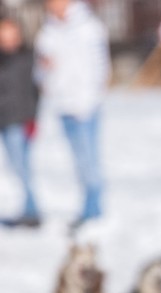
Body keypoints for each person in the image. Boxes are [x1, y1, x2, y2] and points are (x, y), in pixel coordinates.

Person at [34, 0, 109, 227]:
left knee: (90, 160)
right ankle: (88, 207)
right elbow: (40, 72)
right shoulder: (47, 31)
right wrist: (44, 74)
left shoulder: (89, 27)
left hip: (85, 105)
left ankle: (94, 210)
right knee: (78, 161)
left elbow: (99, 67)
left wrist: (87, 101)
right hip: (62, 105)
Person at [0, 11, 40, 227]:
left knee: (22, 167)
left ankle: (31, 210)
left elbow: (33, 92)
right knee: (12, 168)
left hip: (19, 120)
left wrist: (32, 119)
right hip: (3, 119)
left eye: (10, 33)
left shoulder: (27, 57)